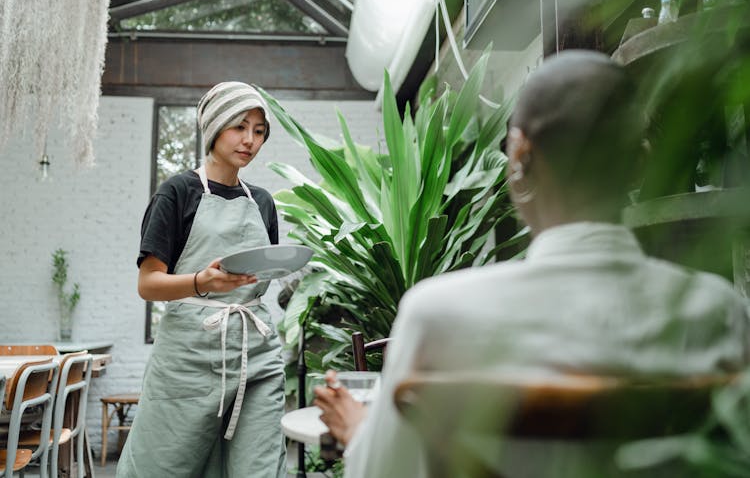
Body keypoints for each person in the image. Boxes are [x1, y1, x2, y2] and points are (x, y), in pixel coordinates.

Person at [313, 50, 750, 478]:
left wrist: (355, 428)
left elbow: (386, 473)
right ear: (639, 163)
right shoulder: (717, 313)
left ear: (520, 159)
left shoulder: (438, 316)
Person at [117, 82, 286, 478]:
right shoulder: (177, 192)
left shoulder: (262, 201)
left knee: (259, 468)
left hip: (254, 351)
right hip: (188, 358)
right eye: (239, 127)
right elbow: (148, 284)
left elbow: (263, 272)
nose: (249, 140)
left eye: (259, 131)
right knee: (163, 466)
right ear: (214, 128)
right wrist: (202, 282)